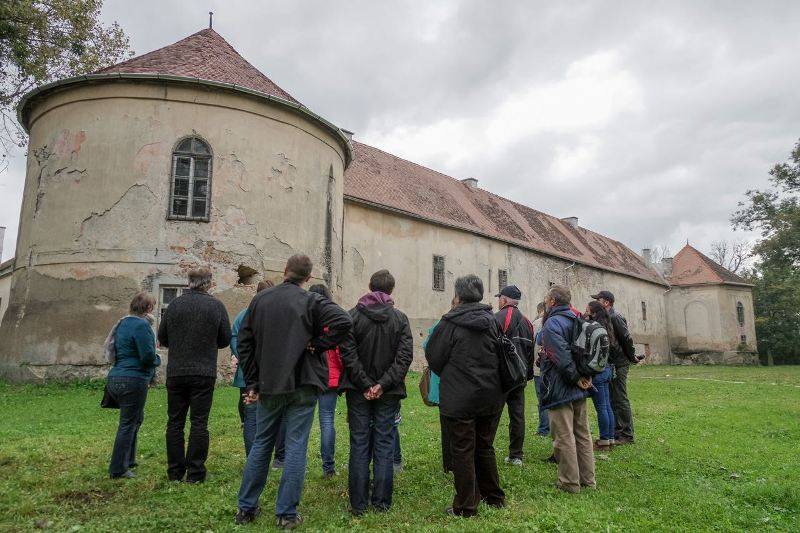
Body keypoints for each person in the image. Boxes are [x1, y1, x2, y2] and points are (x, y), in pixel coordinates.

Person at [235, 255, 351, 529]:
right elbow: (344, 321)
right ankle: (286, 513)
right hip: (304, 381)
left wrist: (252, 381)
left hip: (271, 381)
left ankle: (246, 508)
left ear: (285, 270)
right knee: (297, 443)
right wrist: (319, 344)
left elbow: (245, 343)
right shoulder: (312, 301)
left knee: (263, 442)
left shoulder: (260, 300)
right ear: (308, 278)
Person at [425, 274, 505, 517]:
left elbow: (434, 357)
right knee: (484, 446)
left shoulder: (449, 323)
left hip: (460, 397)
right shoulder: (492, 320)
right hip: (489, 394)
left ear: (458, 295)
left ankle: (466, 505)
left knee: (462, 449)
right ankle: (494, 497)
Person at [339, 269, 413, 515]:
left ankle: (359, 504)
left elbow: (348, 356)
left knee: (360, 443)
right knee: (383, 442)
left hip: (365, 390)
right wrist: (378, 384)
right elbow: (403, 359)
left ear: (370, 286)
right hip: (383, 391)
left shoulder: (353, 317)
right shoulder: (399, 319)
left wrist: (371, 384)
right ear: (391, 290)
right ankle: (381, 502)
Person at [158, 267, 231, 483]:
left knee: (175, 422)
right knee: (199, 422)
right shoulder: (216, 306)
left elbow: (163, 336)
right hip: (204, 371)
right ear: (208, 283)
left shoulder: (174, 305)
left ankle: (175, 471)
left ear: (188, 282)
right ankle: (196, 473)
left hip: (177, 371)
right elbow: (225, 339)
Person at [540, 285, 595, 494]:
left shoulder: (553, 322)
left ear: (553, 301)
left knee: (563, 435)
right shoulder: (578, 318)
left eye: (547, 299)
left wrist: (575, 377)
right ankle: (588, 480)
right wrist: (585, 377)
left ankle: (569, 483)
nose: (546, 302)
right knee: (582, 433)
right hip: (581, 385)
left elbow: (561, 356)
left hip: (561, 384)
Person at [105, 292, 161, 479]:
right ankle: (118, 468)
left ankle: (129, 459)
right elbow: (146, 356)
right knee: (128, 423)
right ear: (148, 309)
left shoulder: (122, 323)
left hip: (116, 377)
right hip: (133, 379)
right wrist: (158, 359)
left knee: (136, 419)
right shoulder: (141, 325)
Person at [231, 280, 274, 456]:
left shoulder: (244, 314)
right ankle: (262, 456)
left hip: (247, 373)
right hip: (267, 372)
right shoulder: (271, 314)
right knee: (267, 416)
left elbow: (234, 338)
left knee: (251, 416)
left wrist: (243, 357)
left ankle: (253, 457)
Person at [493, 285, 535, 466]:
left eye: (499, 298)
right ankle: (516, 455)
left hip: (501, 377)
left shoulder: (497, 318)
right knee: (517, 415)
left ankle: (485, 449)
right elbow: (530, 351)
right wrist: (528, 374)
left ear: (504, 299)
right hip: (519, 376)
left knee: (492, 414)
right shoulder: (528, 322)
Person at [591, 290, 638, 444]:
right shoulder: (605, 318)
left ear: (606, 303)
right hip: (610, 363)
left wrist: (632, 357)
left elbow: (626, 338)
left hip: (619, 362)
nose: (596, 302)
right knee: (612, 398)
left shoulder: (614, 317)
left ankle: (626, 434)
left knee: (619, 398)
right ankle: (616, 432)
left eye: (598, 300)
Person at [307, 283, 343, 478]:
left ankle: (299, 465)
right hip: (330, 376)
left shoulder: (306, 319)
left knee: (301, 422)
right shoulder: (333, 319)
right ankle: (328, 467)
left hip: (309, 376)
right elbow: (338, 353)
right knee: (327, 420)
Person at [584, 300, 616, 450]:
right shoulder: (607, 327)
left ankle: (604, 440)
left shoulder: (595, 329)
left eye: (587, 310)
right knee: (607, 406)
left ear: (594, 313)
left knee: (602, 407)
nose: (585, 313)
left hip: (599, 371)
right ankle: (610, 438)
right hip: (608, 368)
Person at [531, 302, 550, 437]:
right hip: (553, 367)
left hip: (539, 367)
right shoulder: (554, 321)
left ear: (539, 310)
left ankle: (544, 428)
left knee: (542, 398)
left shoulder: (537, 323)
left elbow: (532, 343)